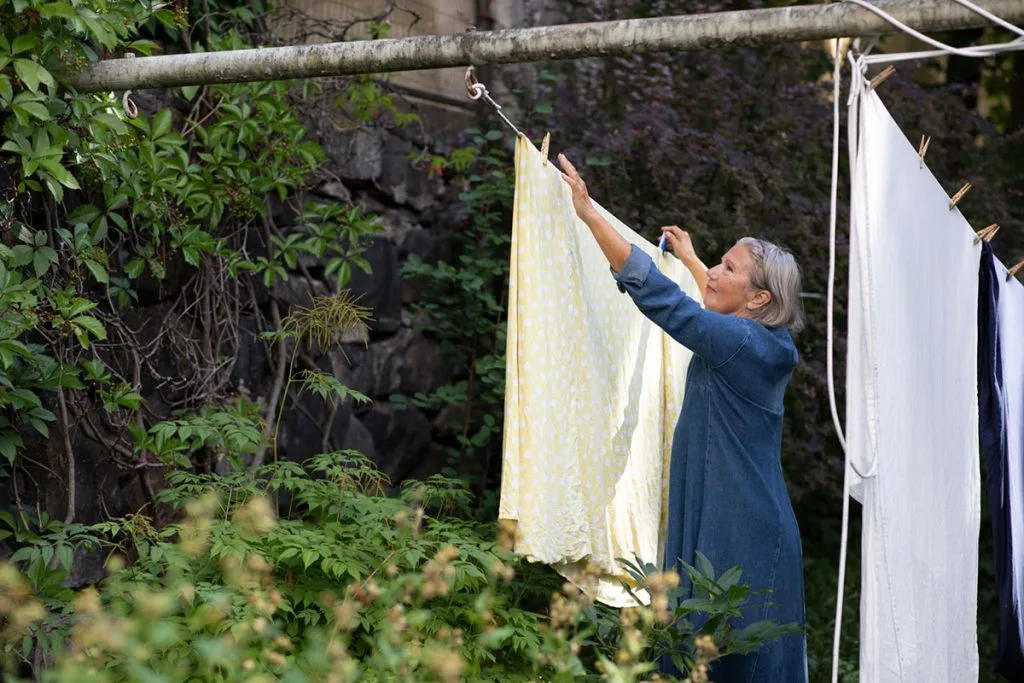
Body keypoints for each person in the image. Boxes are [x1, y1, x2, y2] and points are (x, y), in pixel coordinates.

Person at [557, 153, 808, 682]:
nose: (714, 274)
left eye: (727, 270)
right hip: (733, 507)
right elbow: (716, 306)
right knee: (701, 640)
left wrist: (589, 213)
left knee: (729, 654)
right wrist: (696, 261)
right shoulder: (766, 339)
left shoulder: (741, 342)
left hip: (740, 526)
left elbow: (671, 306)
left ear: (759, 298)